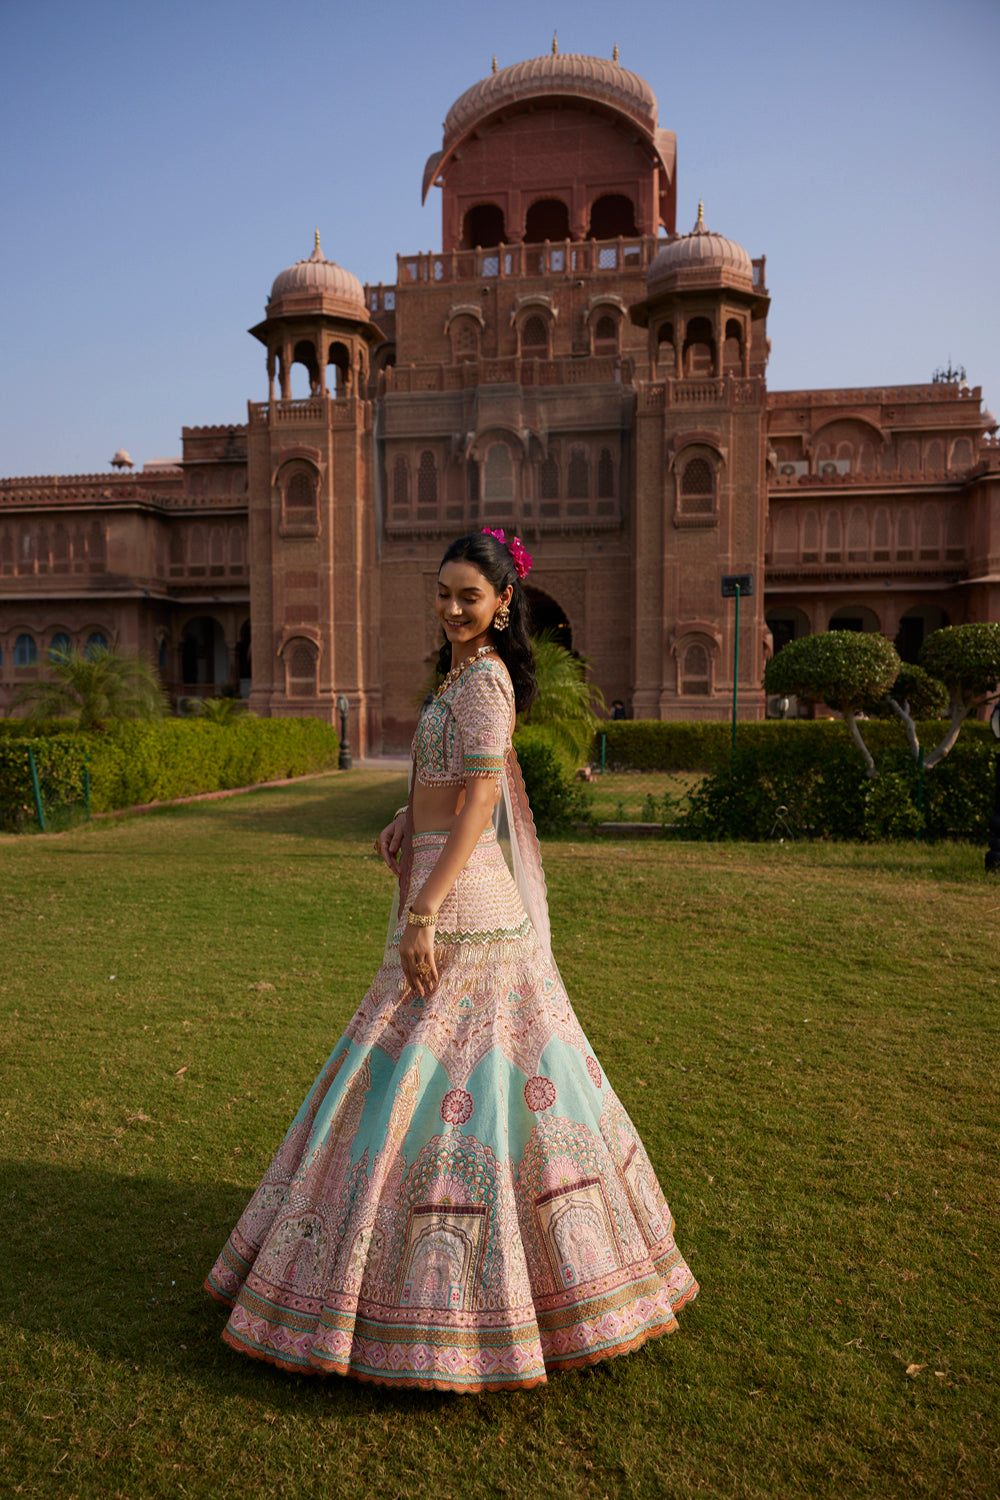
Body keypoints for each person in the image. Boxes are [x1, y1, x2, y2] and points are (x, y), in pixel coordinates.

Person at [205, 528, 698, 1392]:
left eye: (470, 596)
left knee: (447, 1065)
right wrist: (409, 821)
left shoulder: (488, 680)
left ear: (504, 602)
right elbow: (450, 785)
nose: (453, 608)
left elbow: (480, 801)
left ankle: (475, 1272)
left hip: (466, 902)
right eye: (443, 593)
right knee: (424, 1064)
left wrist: (426, 907)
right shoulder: (459, 677)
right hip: (444, 874)